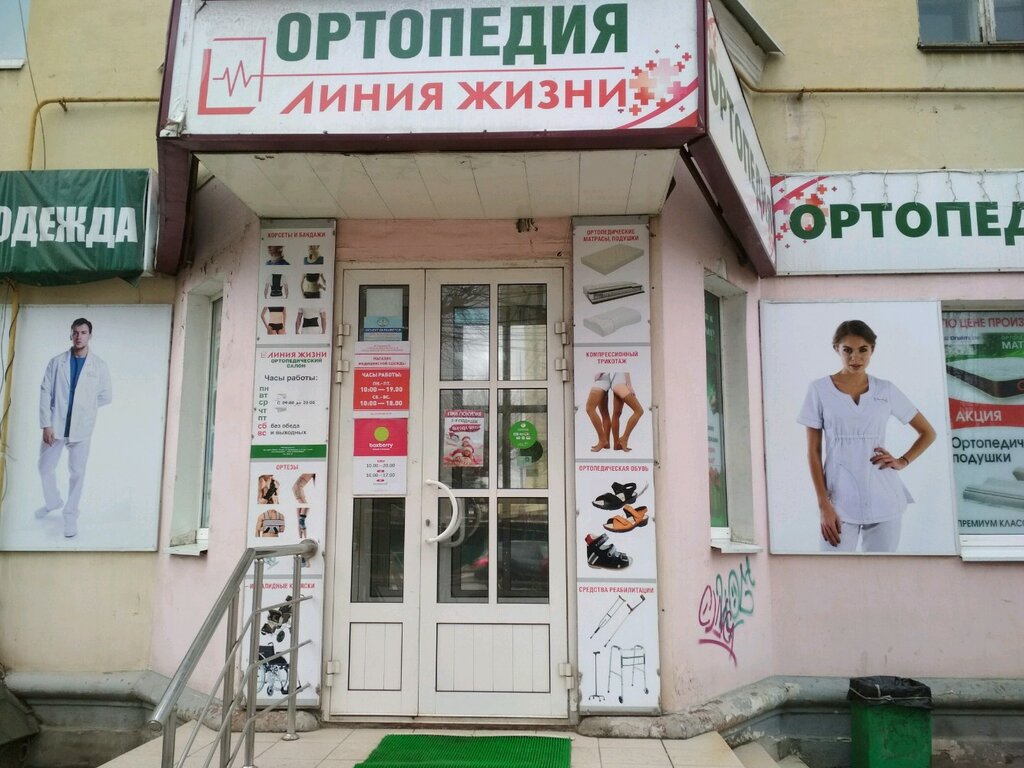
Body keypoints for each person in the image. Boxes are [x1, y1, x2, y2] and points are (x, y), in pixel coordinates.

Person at [799, 320, 936, 553]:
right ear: (836, 349)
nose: (855, 358)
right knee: (834, 570)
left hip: (884, 496)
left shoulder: (886, 390)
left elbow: (928, 433)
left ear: (872, 350)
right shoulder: (819, 390)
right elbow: (813, 451)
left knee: (881, 572)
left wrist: (902, 461)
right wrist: (823, 505)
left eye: (863, 350)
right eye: (847, 350)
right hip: (839, 499)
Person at [36, 318, 113, 538]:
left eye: (84, 332)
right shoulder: (56, 362)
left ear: (90, 335)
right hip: (55, 425)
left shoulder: (99, 366)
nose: (79, 336)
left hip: (81, 428)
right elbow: (45, 392)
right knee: (44, 467)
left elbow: (106, 395)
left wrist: (85, 408)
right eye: (76, 332)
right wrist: (46, 424)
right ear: (70, 334)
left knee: (77, 474)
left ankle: (70, 516)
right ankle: (53, 501)